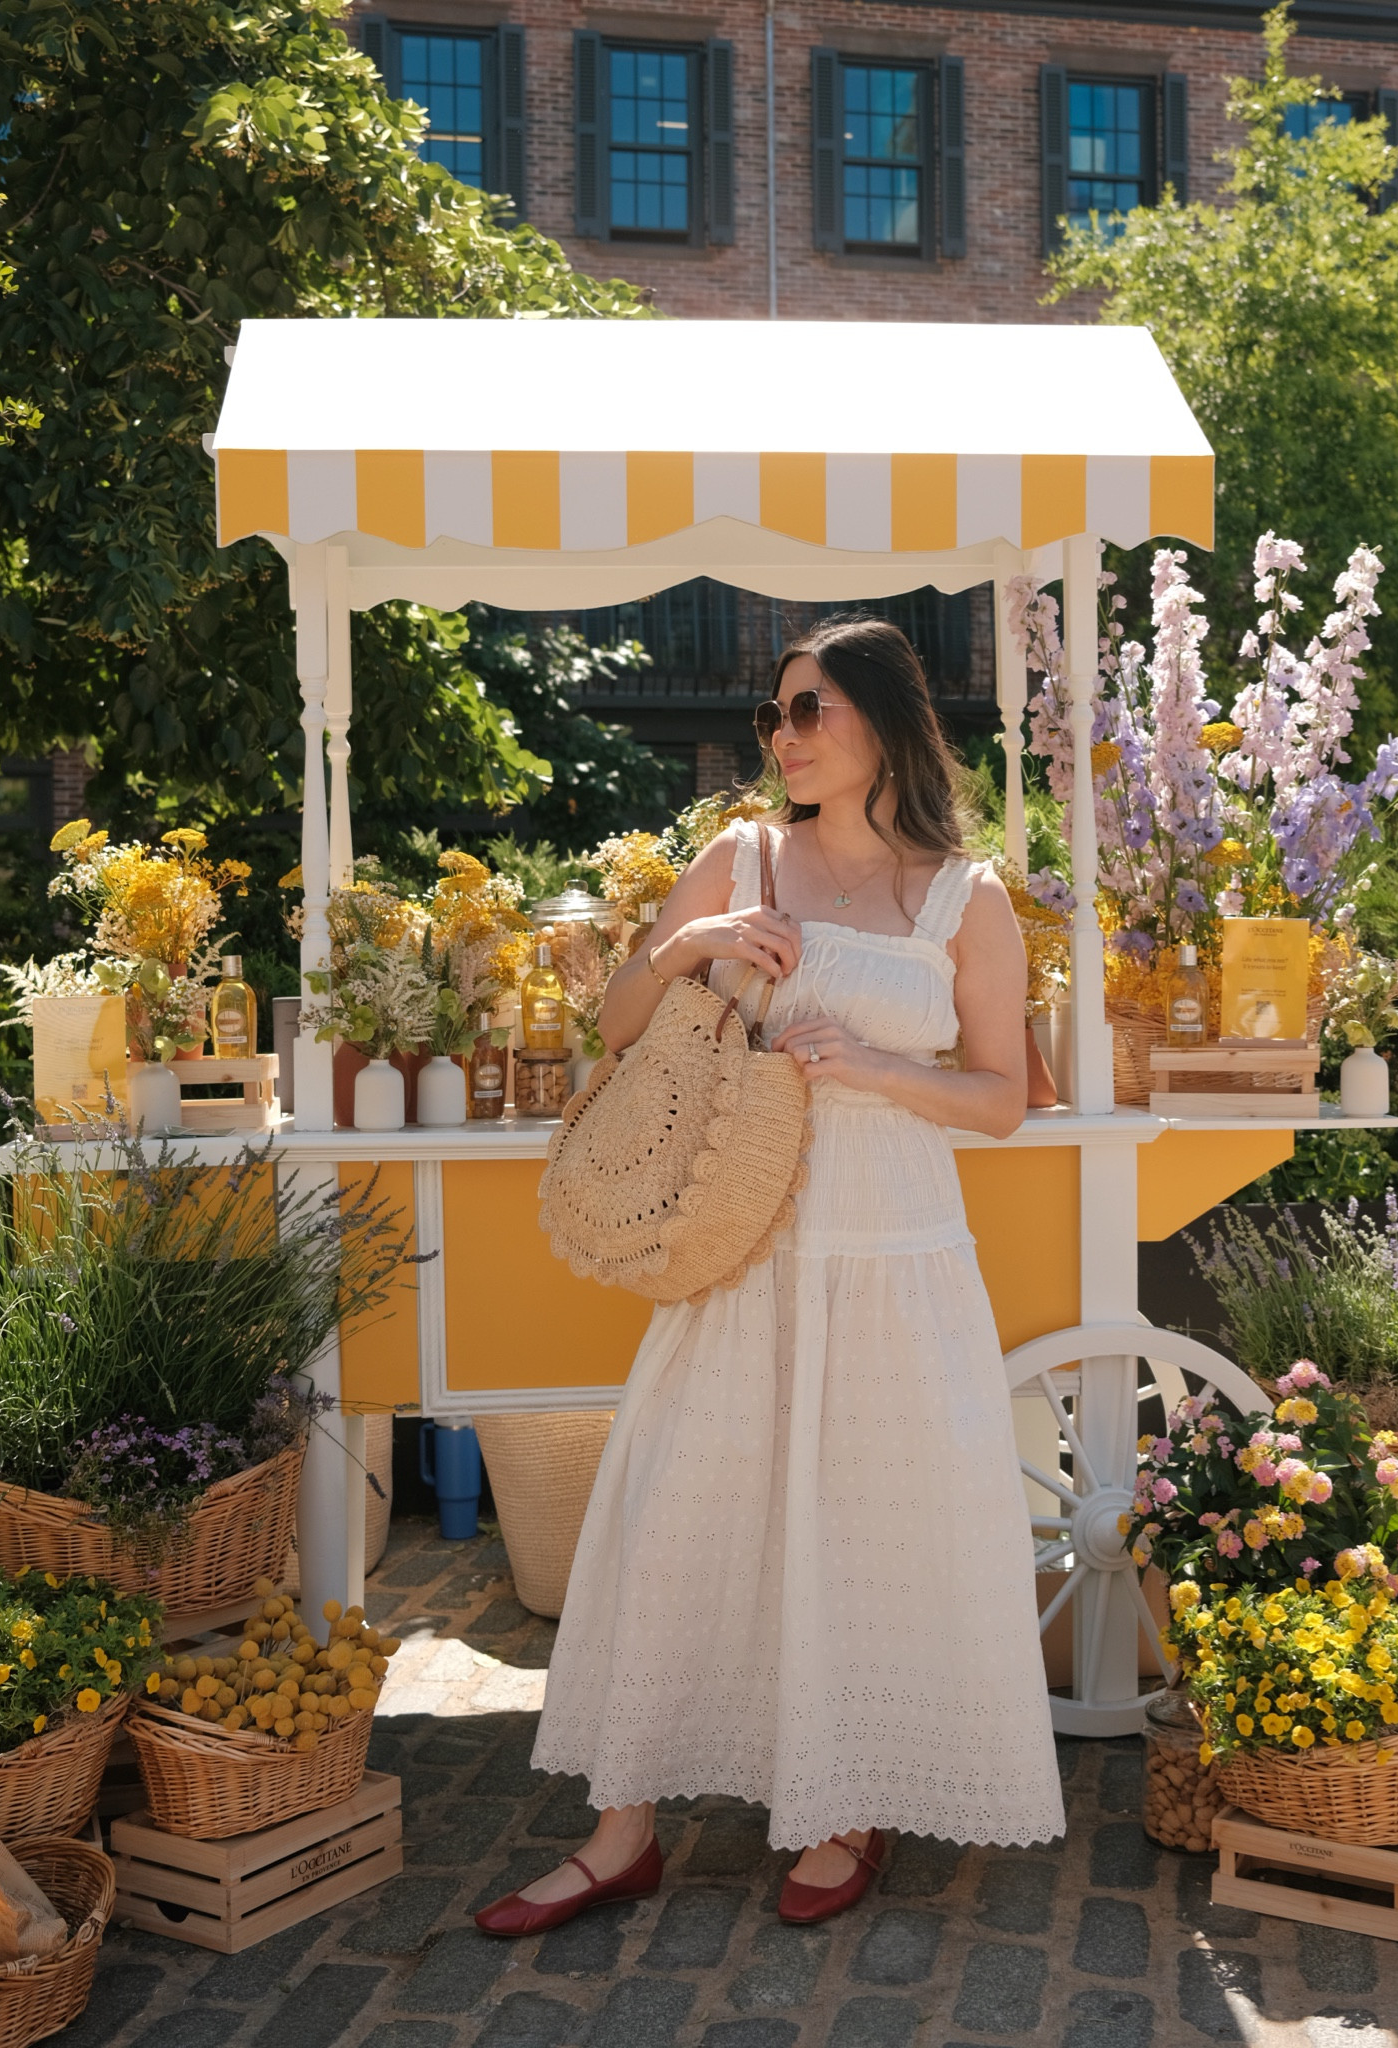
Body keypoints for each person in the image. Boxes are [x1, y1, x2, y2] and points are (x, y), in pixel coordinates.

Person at [475, 616, 1063, 1938]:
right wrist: (694, 945)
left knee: (867, 1524)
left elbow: (1005, 1098)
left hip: (899, 1257)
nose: (787, 736)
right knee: (674, 1513)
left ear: (882, 723)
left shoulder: (967, 897)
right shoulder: (739, 857)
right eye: (778, 714)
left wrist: (879, 1071)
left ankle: (846, 1802)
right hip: (747, 1244)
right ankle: (621, 1830)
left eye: (812, 710)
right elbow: (619, 1023)